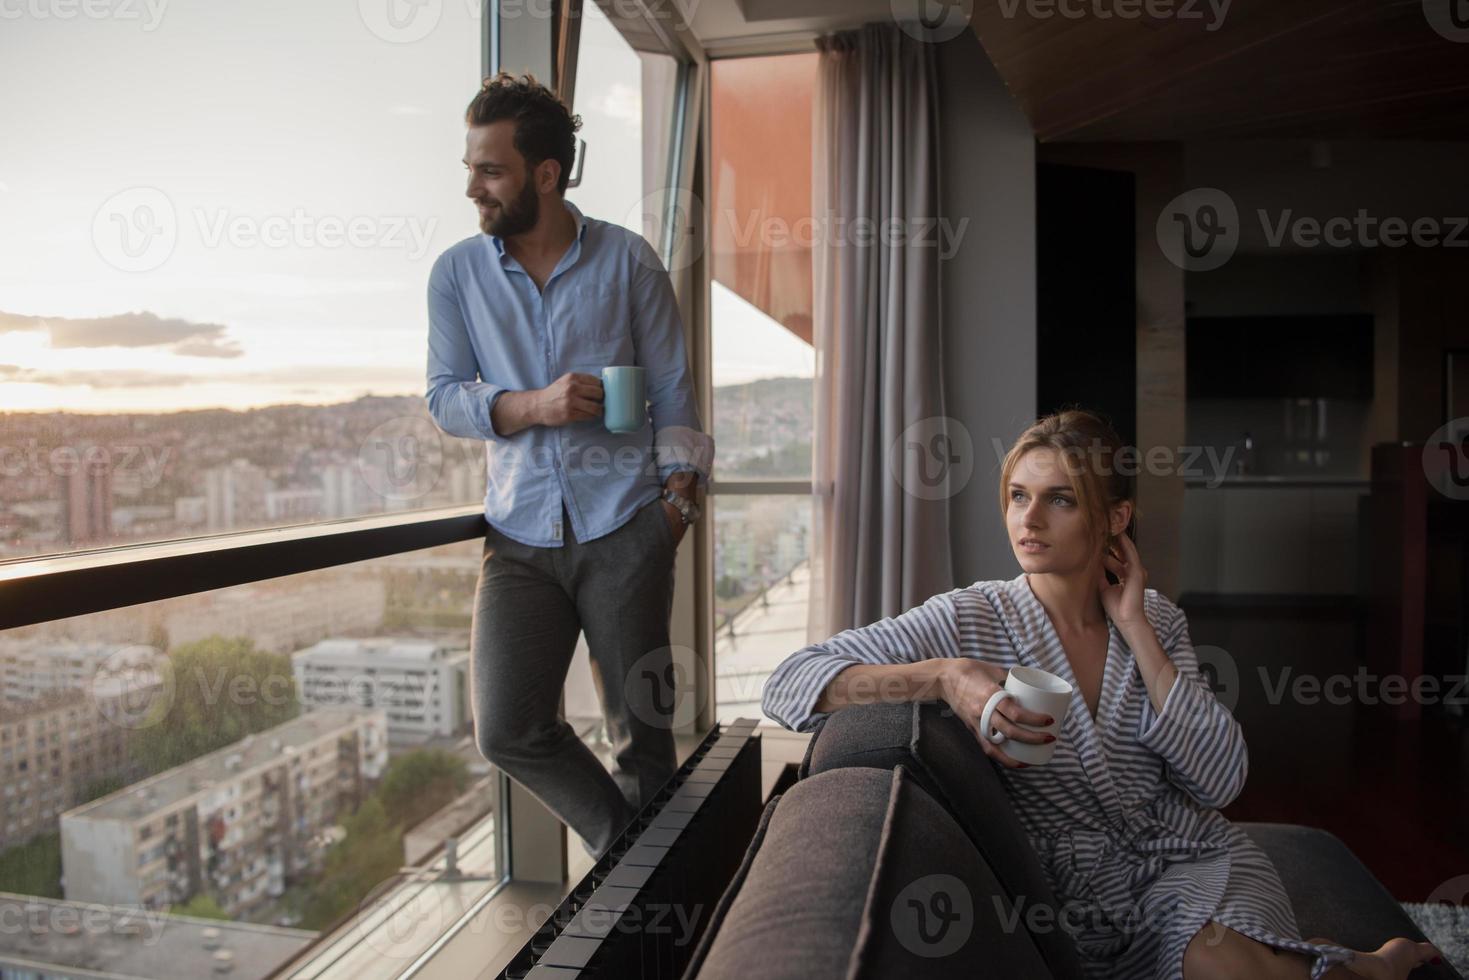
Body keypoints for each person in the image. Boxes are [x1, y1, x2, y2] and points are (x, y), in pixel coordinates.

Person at [762, 410, 1441, 979]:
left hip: (1195, 857)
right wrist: (946, 676)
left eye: (1059, 498)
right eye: (1017, 495)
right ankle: (1362, 967)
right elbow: (788, 682)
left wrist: (1137, 628)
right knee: (1221, 965)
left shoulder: (1157, 620)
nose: (1029, 518)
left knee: (1221, 961)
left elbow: (1220, 780)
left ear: (1114, 516)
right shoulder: (970, 617)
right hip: (1082, 900)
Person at [424, 72, 713, 858]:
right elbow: (444, 398)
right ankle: (639, 864)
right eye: (471, 169)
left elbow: (672, 396)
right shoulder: (457, 274)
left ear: (545, 175)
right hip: (517, 540)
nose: (473, 188)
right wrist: (533, 405)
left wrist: (673, 512)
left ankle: (653, 917)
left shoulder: (628, 261)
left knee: (643, 745)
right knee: (510, 729)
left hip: (626, 526)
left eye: (490, 170)